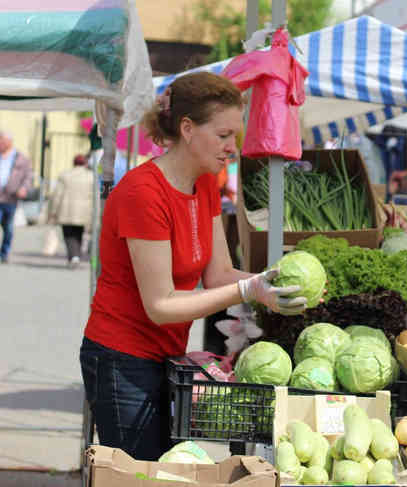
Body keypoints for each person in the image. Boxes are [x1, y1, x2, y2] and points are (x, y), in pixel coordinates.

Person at [79, 72, 308, 461]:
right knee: (141, 474)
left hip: (166, 355)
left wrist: (270, 283)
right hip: (120, 358)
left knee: (167, 469)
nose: (232, 148)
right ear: (187, 128)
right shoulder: (143, 192)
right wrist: (247, 290)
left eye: (235, 136)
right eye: (223, 136)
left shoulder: (204, 184)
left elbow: (218, 274)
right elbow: (161, 304)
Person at [48, 154, 94, 268]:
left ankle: (73, 256)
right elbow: (94, 196)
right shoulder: (91, 177)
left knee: (68, 235)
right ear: (85, 163)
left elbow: (57, 195)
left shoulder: (65, 176)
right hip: (83, 212)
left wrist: (53, 211)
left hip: (66, 211)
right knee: (79, 233)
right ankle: (76, 255)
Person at [0, 130, 33, 263]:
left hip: (10, 197)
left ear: (9, 142)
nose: (0, 143)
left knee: (8, 226)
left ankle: (5, 252)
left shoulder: (20, 158)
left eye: (2, 140)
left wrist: (24, 188)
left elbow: (28, 176)